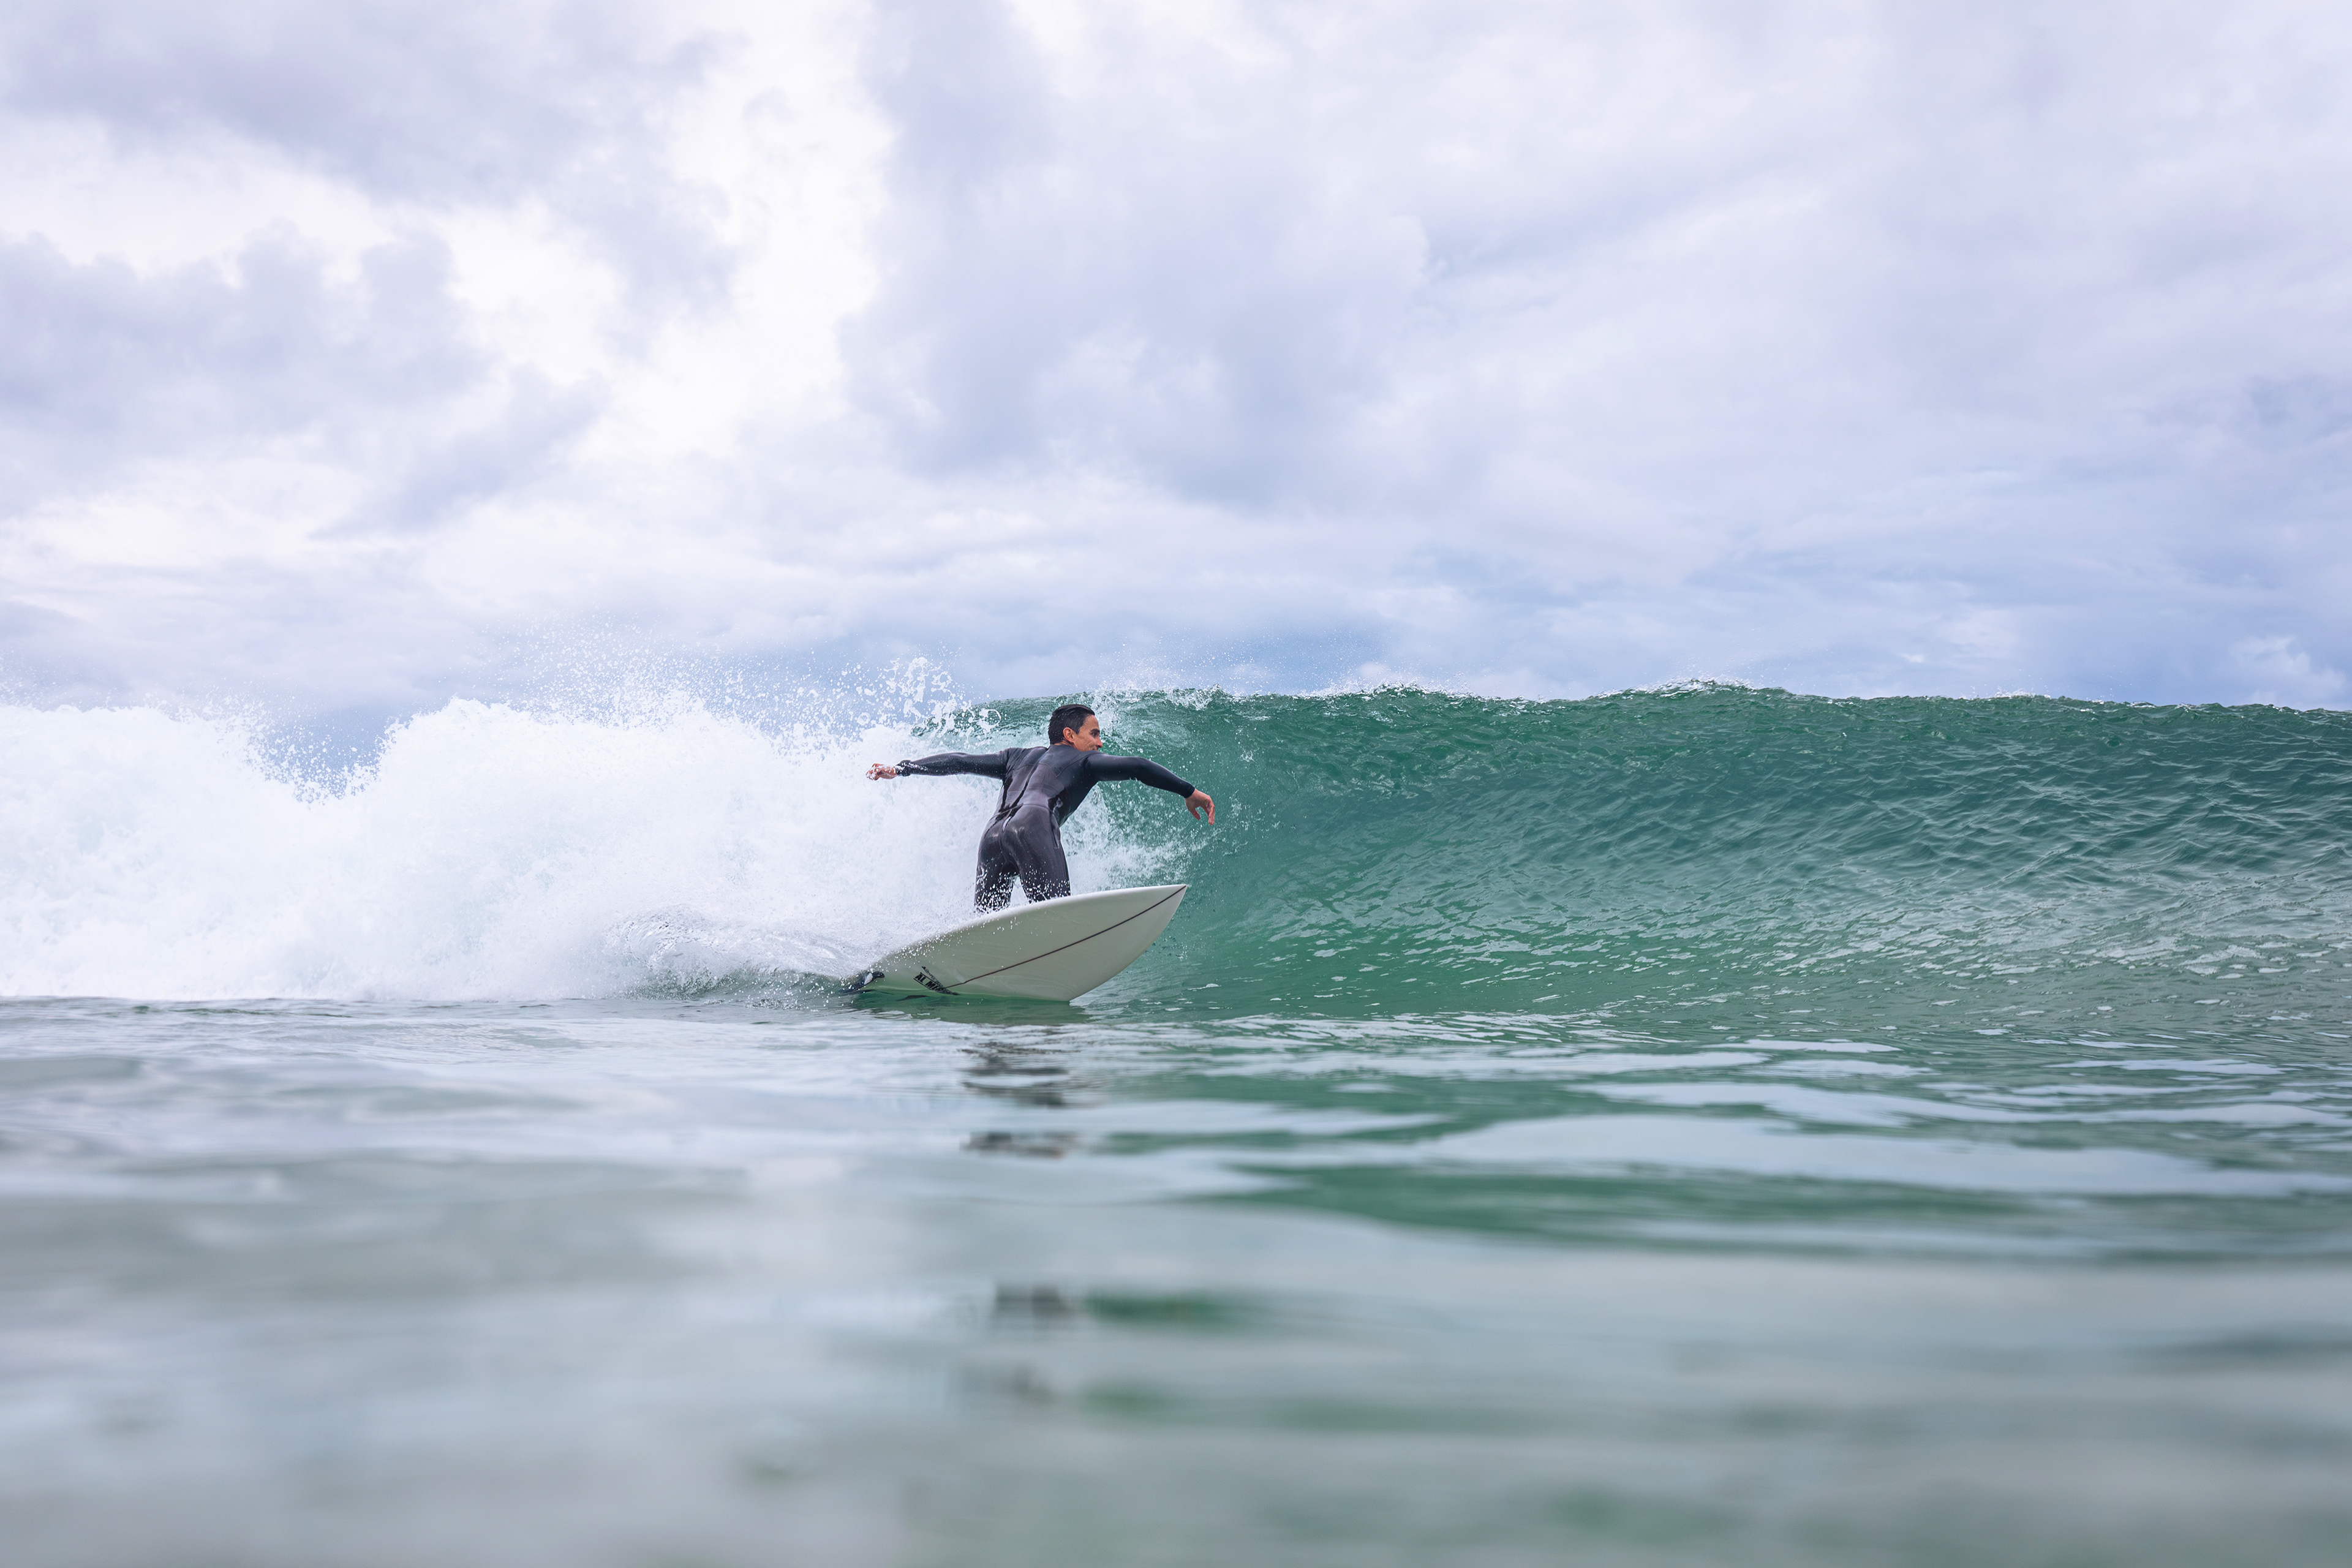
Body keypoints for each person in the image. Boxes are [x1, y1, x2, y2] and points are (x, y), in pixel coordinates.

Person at [868, 703, 1214, 910]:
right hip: (1032, 826)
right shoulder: (1084, 762)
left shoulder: (1015, 756)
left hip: (993, 835)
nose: (1099, 742)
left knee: (988, 926)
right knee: (1054, 919)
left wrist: (904, 768)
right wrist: (1188, 791)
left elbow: (960, 760)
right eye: (1093, 734)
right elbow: (1138, 766)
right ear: (1069, 735)